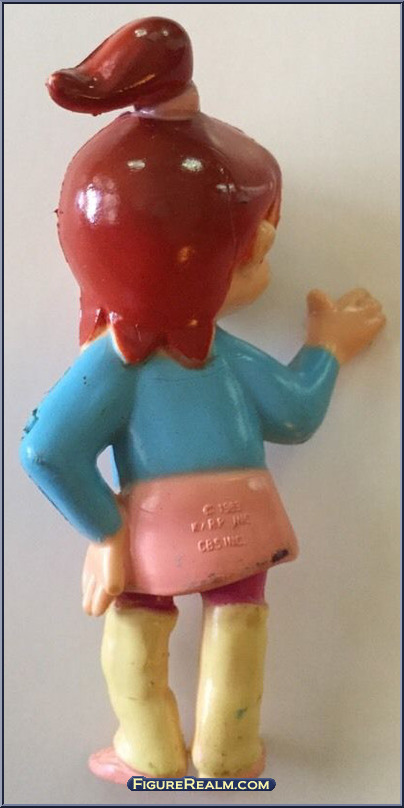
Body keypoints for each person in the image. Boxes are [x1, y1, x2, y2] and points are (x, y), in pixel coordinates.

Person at [20, 17, 386, 783]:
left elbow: (49, 450)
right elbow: (294, 413)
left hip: (154, 523)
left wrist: (106, 529)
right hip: (240, 515)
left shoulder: (114, 368)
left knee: (138, 625)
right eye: (255, 251)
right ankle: (228, 750)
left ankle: (148, 750)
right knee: (240, 619)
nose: (264, 265)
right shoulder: (187, 359)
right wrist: (326, 347)